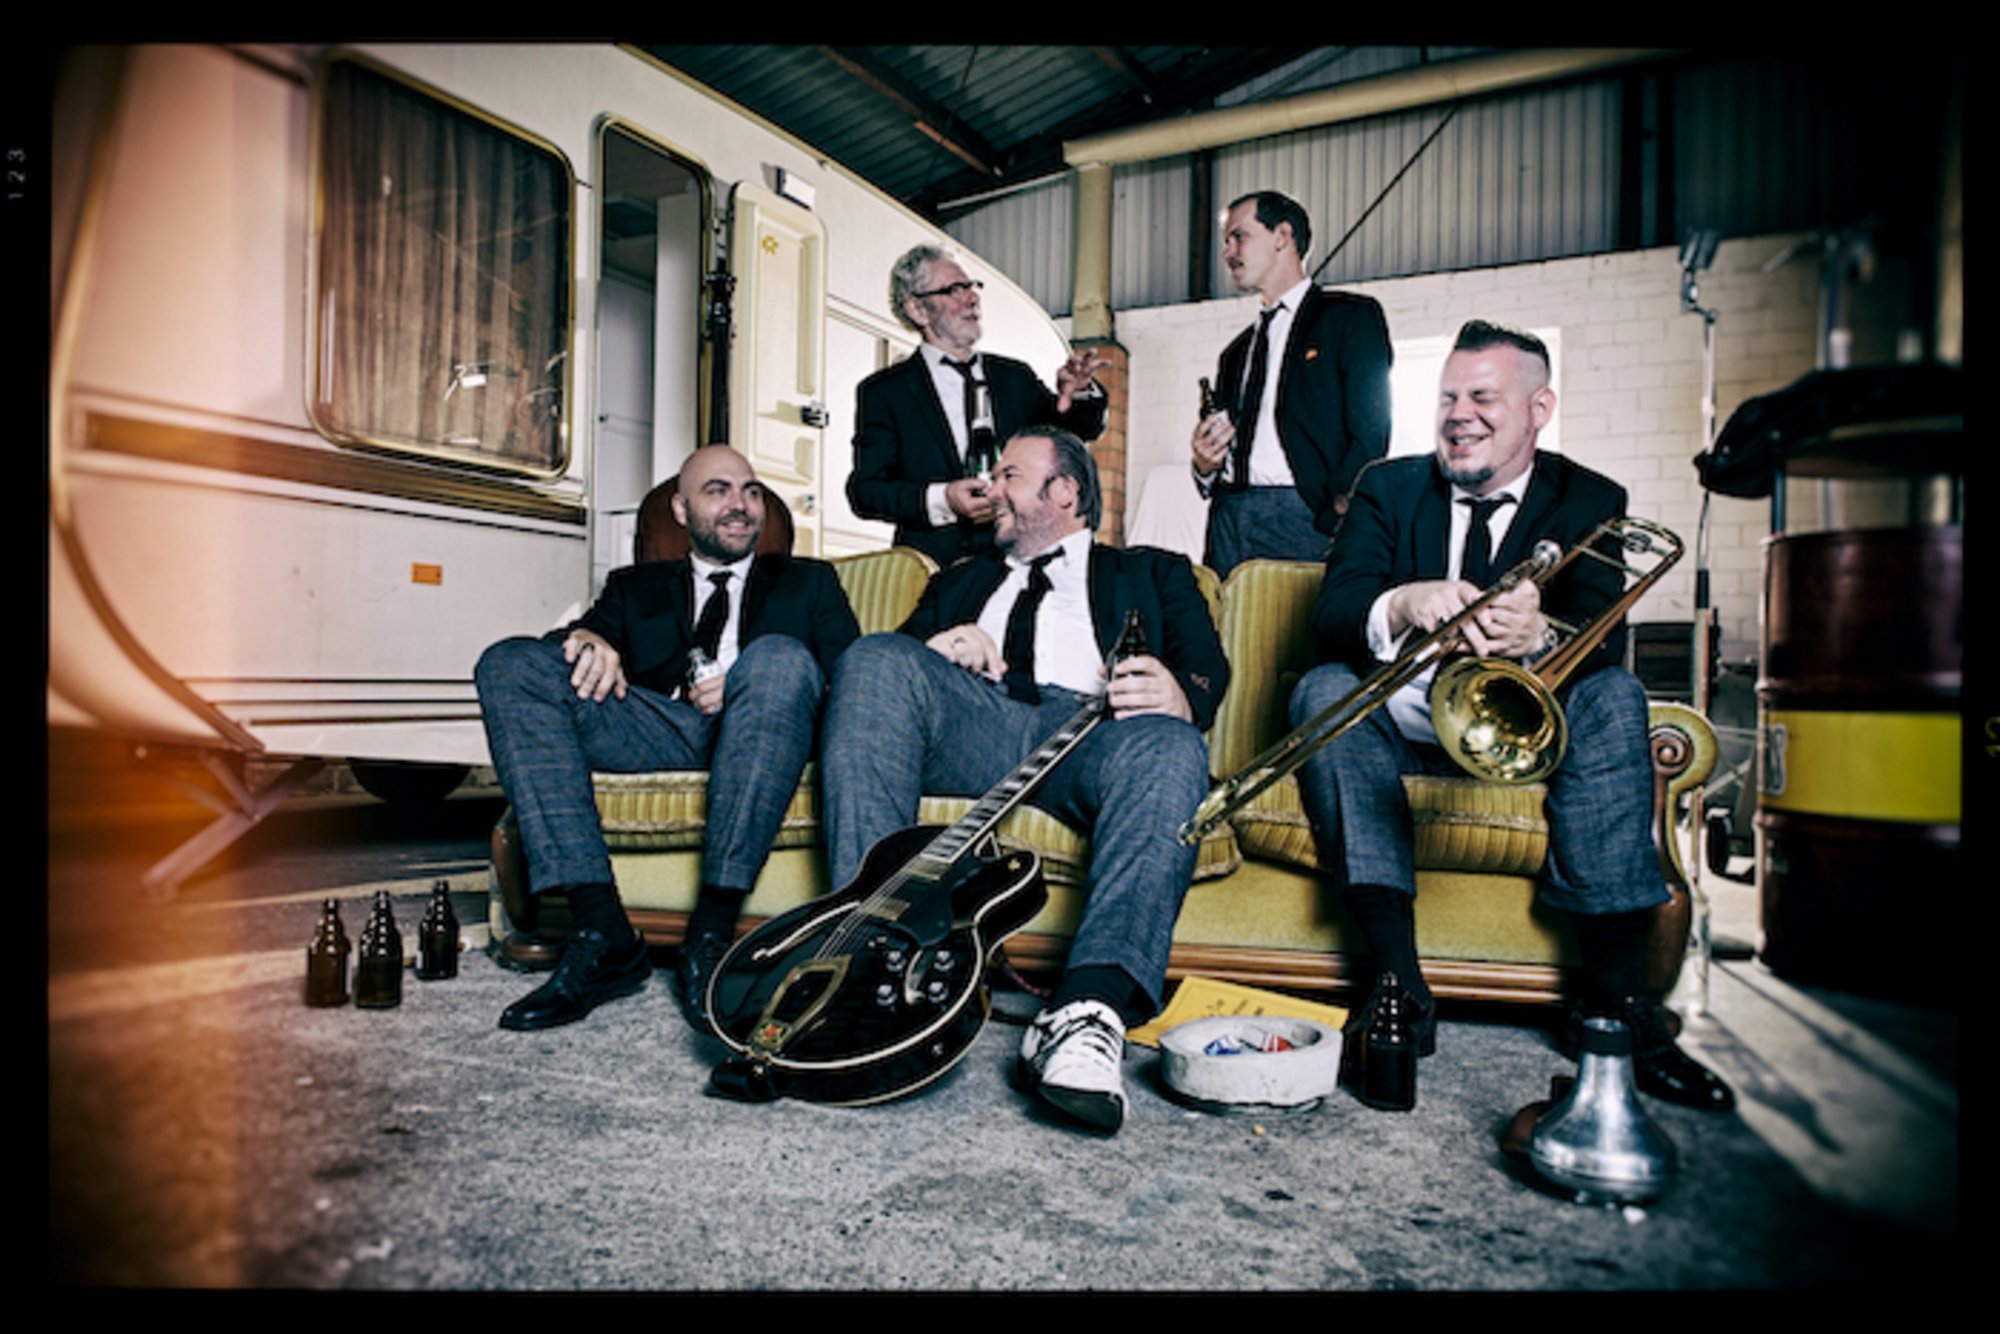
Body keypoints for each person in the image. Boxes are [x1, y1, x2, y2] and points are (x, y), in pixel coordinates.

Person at [1291, 319, 1734, 1112]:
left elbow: (1601, 636)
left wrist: (1541, 638)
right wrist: (1405, 601)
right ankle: (1397, 980)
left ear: (1539, 410)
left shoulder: (1590, 499)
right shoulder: (1388, 487)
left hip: (1523, 736)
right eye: (1448, 397)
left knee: (1615, 696)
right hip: (1404, 723)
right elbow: (1330, 618)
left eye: (1483, 398)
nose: (1459, 415)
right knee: (1322, 689)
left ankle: (1614, 1002)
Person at [820, 427, 1228, 1132]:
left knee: (1173, 744)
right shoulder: (960, 577)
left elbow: (1205, 670)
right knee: (876, 655)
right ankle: (869, 960)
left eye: (1009, 474)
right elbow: (887, 681)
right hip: (975, 722)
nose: (991, 488)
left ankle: (1086, 1013)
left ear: (1063, 491)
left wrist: (1178, 694)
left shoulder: (1154, 571)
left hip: (1096, 733)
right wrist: (940, 648)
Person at [476, 445, 860, 1033]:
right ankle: (602, 932)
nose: (740, 504)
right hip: (664, 730)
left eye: (751, 491)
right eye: (718, 490)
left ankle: (712, 932)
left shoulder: (811, 582)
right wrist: (587, 639)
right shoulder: (635, 587)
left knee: (779, 658)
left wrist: (751, 687)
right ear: (681, 510)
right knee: (510, 664)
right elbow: (570, 650)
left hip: (767, 735)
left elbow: (856, 687)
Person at [849, 243, 1109, 568]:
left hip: (1018, 565)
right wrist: (944, 499)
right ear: (917, 310)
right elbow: (866, 492)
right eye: (954, 290)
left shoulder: (1015, 377)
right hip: (935, 571)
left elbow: (1080, 431)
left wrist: (1079, 393)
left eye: (971, 286)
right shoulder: (885, 392)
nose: (972, 298)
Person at [1190, 190, 1393, 578]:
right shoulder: (1234, 354)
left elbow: (1372, 432)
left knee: (1299, 621)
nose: (1227, 253)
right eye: (1226, 242)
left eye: (1238, 237)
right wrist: (1204, 466)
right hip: (1228, 519)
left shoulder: (1349, 318)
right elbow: (1220, 450)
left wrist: (1336, 512)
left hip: (1305, 517)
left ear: (1282, 236)